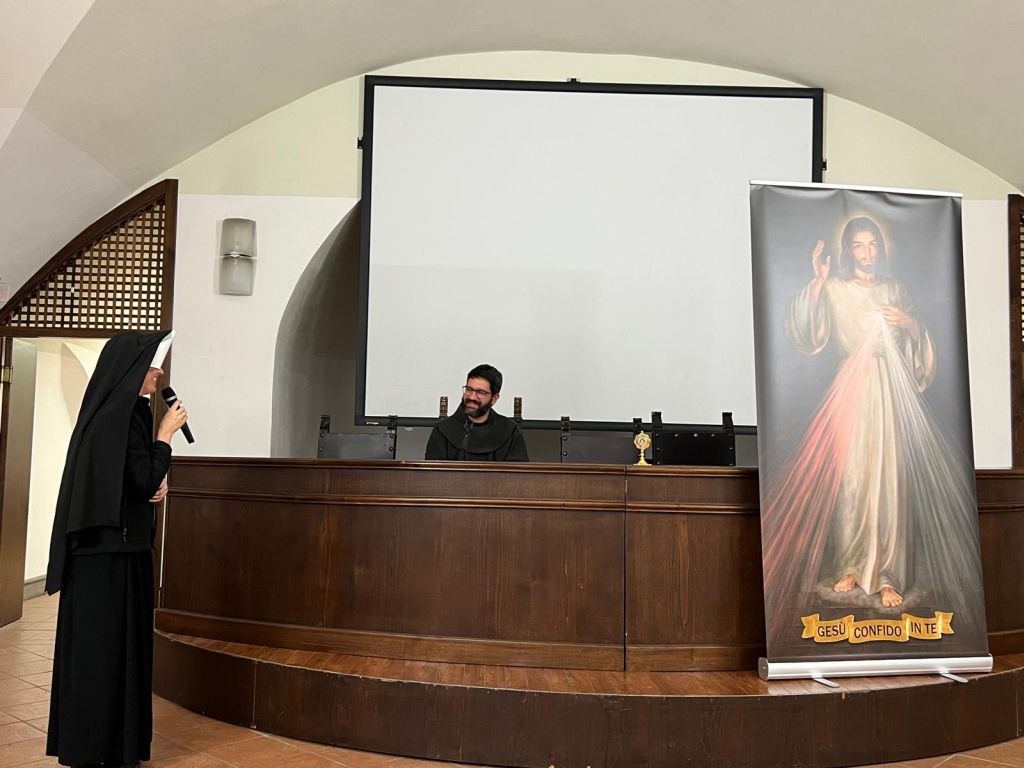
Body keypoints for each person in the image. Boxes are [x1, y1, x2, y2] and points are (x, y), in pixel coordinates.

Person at [760, 216, 984, 632]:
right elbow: (806, 334)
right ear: (848, 251)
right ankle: (851, 565)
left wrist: (909, 323)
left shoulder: (895, 290)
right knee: (853, 478)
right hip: (852, 389)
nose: (867, 253)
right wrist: (817, 283)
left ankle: (887, 575)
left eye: (872, 245)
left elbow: (919, 344)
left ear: (881, 248)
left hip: (891, 389)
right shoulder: (835, 288)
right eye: (859, 245)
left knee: (891, 481)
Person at [45, 330, 188, 768]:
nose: (159, 372)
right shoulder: (124, 416)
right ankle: (103, 748)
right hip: (111, 557)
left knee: (104, 653)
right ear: (131, 369)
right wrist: (165, 436)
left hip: (107, 553)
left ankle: (101, 747)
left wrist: (155, 478)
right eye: (153, 363)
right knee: (107, 655)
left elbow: (133, 482)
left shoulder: (117, 412)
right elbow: (141, 479)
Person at [425, 363, 529, 461]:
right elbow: (433, 473)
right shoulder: (443, 430)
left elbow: (519, 473)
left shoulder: (510, 431)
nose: (472, 397)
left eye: (481, 392)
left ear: (494, 398)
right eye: (469, 389)